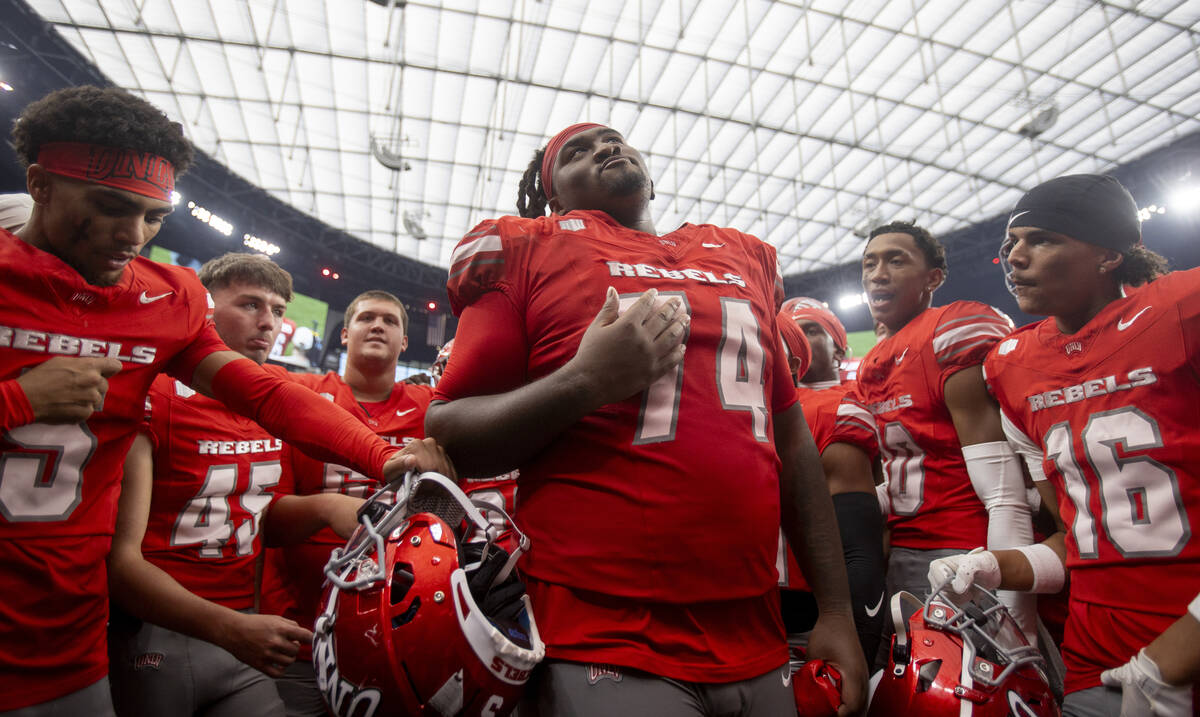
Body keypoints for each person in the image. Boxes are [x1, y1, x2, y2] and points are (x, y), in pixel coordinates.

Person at [0, 85, 440, 716]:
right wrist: (18, 400)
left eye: (153, 215)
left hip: (71, 635)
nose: (133, 234)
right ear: (39, 183)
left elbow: (265, 393)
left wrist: (381, 456)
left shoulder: (164, 298)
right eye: (110, 206)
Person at [426, 122, 866, 716]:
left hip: (756, 628)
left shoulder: (742, 254)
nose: (605, 148)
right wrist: (585, 382)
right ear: (552, 195)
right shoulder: (529, 247)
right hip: (603, 631)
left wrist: (836, 611)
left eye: (614, 140)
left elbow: (789, 440)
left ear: (650, 178)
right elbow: (450, 430)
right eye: (575, 152)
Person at [930, 174, 1199, 716]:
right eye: (1010, 244)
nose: (1015, 257)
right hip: (1092, 660)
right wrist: (996, 566)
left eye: (1042, 239)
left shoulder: (1183, 310)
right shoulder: (1013, 364)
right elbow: (1079, 539)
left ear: (1107, 254)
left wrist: (1176, 657)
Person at [105, 253, 386, 717]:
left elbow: (253, 518)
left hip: (244, 633)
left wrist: (322, 509)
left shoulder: (276, 392)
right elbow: (120, 563)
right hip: (159, 634)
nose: (268, 322)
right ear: (205, 307)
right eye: (250, 304)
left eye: (277, 310)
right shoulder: (154, 391)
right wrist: (229, 627)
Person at [853, 220, 1038, 655]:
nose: (878, 273)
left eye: (895, 260)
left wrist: (1014, 613)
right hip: (901, 549)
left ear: (933, 277)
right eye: (869, 263)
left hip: (963, 546)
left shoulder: (950, 329)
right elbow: (905, 466)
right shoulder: (872, 360)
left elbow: (1003, 488)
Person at [260, 290, 437, 716]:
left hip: (400, 629)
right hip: (300, 625)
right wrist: (326, 507)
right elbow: (266, 522)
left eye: (390, 321)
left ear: (404, 343)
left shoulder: (432, 410)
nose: (378, 326)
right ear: (344, 334)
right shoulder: (296, 393)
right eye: (367, 319)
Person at [777, 299, 886, 664]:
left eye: (811, 330)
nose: (800, 342)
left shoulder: (836, 407)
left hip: (810, 606)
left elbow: (859, 545)